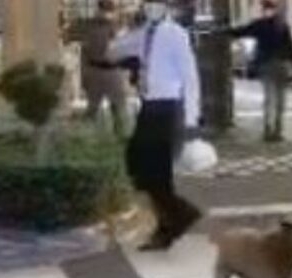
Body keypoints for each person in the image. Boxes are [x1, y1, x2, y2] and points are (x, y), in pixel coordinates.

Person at [108, 0, 203, 251]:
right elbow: (113, 51)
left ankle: (175, 219)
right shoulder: (143, 34)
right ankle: (177, 216)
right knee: (137, 165)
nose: (152, 7)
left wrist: (193, 119)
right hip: (148, 107)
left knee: (156, 172)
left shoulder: (176, 35)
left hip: (167, 108)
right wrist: (127, 28)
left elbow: (190, 77)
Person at [227, 0, 292, 143]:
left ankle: (269, 130)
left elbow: (241, 32)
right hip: (282, 66)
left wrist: (225, 30)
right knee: (280, 99)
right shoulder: (282, 26)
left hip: (267, 65)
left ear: (264, 9)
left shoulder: (260, 24)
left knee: (270, 98)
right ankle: (278, 131)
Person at [73, 0, 128, 136]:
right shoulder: (90, 26)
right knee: (93, 109)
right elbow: (84, 52)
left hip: (111, 71)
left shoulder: (117, 25)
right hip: (96, 70)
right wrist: (84, 75)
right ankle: (86, 138)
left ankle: (119, 137)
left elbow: (123, 49)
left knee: (117, 109)